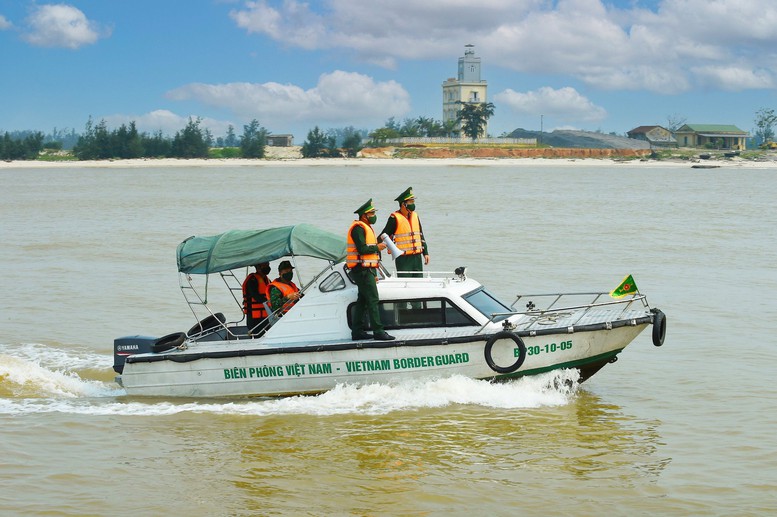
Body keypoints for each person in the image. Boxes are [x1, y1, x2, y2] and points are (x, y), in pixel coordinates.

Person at [347, 199, 395, 341]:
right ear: (364, 215)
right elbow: (362, 249)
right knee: (373, 299)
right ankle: (378, 331)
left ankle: (357, 332)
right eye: (371, 213)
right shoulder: (358, 229)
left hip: (367, 270)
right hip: (360, 270)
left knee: (363, 300)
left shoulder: (366, 228)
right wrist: (377, 247)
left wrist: (374, 273)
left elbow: (369, 255)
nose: (374, 215)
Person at [381, 186, 429, 278]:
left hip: (417, 258)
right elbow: (384, 234)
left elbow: (420, 235)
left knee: (419, 284)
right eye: (411, 202)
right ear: (403, 204)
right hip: (403, 259)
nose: (413, 204)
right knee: (405, 283)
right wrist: (376, 248)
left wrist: (425, 253)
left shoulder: (415, 216)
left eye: (413, 201)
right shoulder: (394, 218)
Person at [242, 262, 271, 334]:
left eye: (268, 265)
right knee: (256, 334)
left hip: (266, 315)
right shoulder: (252, 280)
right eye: (265, 265)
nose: (267, 267)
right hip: (254, 317)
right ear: (258, 267)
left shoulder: (268, 280)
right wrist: (270, 301)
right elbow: (256, 296)